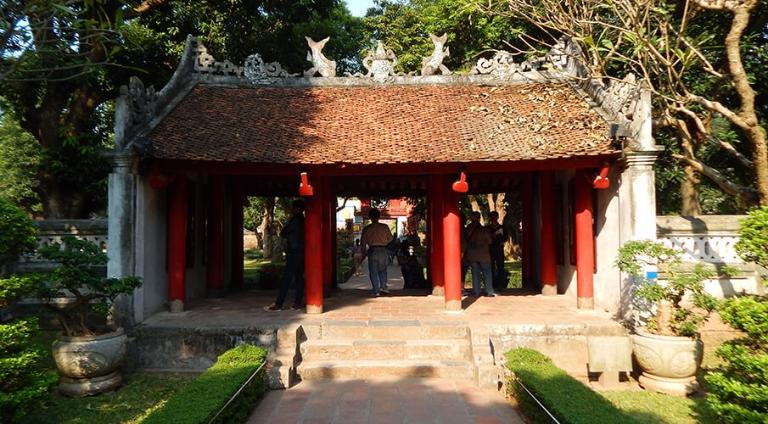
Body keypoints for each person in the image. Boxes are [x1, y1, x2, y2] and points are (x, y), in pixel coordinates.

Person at [264, 200, 305, 311]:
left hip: (294, 252)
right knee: (299, 278)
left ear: (297, 209)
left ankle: (279, 304)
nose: (291, 209)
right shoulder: (302, 221)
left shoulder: (295, 221)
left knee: (287, 278)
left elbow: (283, 232)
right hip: (301, 252)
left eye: (293, 208)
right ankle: (297, 303)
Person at [360, 208, 393, 296]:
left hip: (372, 250)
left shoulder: (367, 229)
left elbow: (363, 243)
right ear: (379, 216)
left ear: (370, 217)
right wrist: (384, 242)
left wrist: (363, 254)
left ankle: (376, 290)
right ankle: (384, 287)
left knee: (373, 271)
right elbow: (390, 238)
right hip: (383, 249)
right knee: (383, 270)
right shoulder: (384, 227)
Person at [465, 211, 497, 297]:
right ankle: (489, 291)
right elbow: (490, 241)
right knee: (487, 272)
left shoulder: (468, 228)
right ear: (479, 218)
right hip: (484, 254)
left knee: (475, 273)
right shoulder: (483, 229)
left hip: (472, 254)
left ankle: (476, 291)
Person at [487, 211, 507, 291]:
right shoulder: (487, 228)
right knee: (490, 267)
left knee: (500, 267)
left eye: (495, 217)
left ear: (497, 217)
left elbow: (505, 238)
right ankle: (492, 285)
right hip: (490, 249)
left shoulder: (502, 228)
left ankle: (500, 285)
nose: (493, 219)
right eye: (492, 217)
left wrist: (497, 237)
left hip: (499, 249)